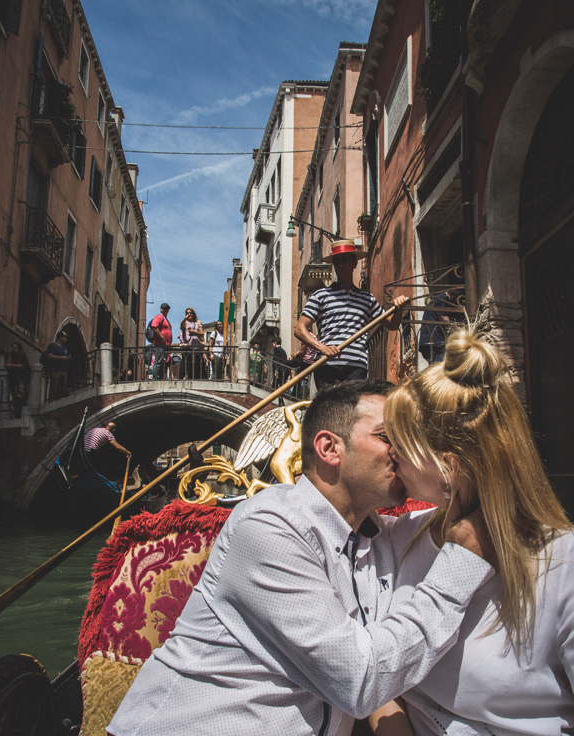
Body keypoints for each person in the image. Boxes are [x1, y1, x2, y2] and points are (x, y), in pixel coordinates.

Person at [107, 380, 495, 736]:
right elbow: (358, 682)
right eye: (387, 437)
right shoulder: (269, 526)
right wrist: (457, 572)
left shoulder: (380, 538)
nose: (400, 451)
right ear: (329, 449)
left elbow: (484, 505)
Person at [369, 328, 574, 736]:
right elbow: (371, 667)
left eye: (400, 444)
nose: (392, 455)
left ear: (448, 468)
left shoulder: (564, 560)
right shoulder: (401, 537)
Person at [295, 240, 408, 391]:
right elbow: (299, 329)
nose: (341, 265)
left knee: (353, 412)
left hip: (356, 366)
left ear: (354, 263)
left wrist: (398, 308)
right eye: (337, 261)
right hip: (327, 365)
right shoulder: (320, 296)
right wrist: (322, 348)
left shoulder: (367, 298)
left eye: (345, 260)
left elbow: (392, 325)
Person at [417, 288, 459, 364]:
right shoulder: (443, 300)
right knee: (440, 367)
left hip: (427, 343)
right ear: (451, 295)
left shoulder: (438, 299)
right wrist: (451, 324)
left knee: (435, 366)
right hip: (435, 343)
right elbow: (443, 318)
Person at [179, 307, 205, 379]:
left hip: (196, 346)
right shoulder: (185, 323)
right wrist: (185, 318)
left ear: (193, 314)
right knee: (186, 362)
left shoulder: (197, 323)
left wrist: (194, 332)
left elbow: (202, 333)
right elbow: (181, 326)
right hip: (187, 345)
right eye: (187, 313)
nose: (189, 314)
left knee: (197, 362)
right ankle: (182, 377)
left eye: (190, 313)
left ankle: (197, 377)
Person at [147, 303, 172, 380]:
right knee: (158, 362)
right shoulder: (159, 317)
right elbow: (154, 327)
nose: (166, 310)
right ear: (161, 309)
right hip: (160, 344)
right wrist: (162, 337)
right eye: (164, 308)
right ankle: (155, 378)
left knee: (162, 362)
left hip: (165, 345)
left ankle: (160, 377)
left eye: (167, 308)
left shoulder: (165, 319)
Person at [42, 332, 70, 399]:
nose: (66, 339)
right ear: (60, 337)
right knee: (54, 388)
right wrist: (61, 358)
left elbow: (68, 357)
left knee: (62, 389)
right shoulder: (52, 346)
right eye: (65, 337)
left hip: (63, 370)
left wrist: (68, 358)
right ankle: (51, 402)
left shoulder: (65, 348)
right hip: (55, 369)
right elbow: (49, 356)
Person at [4, 342, 29, 416]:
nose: (14, 349)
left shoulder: (23, 356)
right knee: (14, 395)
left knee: (20, 395)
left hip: (21, 378)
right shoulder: (10, 355)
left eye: (15, 347)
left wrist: (11, 365)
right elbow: (6, 365)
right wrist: (9, 354)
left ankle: (20, 412)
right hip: (13, 378)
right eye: (13, 347)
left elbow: (24, 366)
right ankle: (16, 412)